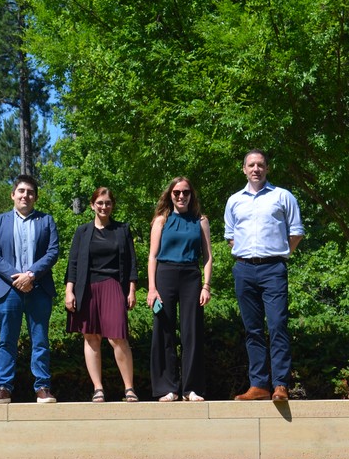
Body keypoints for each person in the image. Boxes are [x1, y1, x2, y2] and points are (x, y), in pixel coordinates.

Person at [224, 149, 304, 401]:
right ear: (244, 169)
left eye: (260, 165)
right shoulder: (234, 200)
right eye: (251, 165)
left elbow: (296, 232)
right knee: (253, 329)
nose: (256, 169)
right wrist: (248, 255)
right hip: (244, 269)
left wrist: (280, 254)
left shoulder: (283, 196)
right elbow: (231, 236)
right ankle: (258, 385)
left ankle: (280, 384)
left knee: (277, 325)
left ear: (267, 168)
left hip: (273, 269)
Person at [0, 175, 60, 404]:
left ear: (35, 197)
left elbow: (53, 252)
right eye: (21, 191)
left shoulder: (46, 221)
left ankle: (42, 387)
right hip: (8, 291)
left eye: (30, 192)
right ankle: (3, 388)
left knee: (40, 341)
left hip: (39, 288)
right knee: (7, 341)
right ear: (13, 195)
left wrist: (31, 275)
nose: (25, 195)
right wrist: (17, 278)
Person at [64, 187, 139, 403]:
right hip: (86, 288)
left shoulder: (122, 230)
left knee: (118, 338)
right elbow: (73, 263)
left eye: (107, 203)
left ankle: (129, 388)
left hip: (113, 285)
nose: (104, 207)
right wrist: (69, 291)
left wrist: (132, 289)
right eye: (100, 203)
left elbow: (132, 262)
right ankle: (98, 388)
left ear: (112, 205)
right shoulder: (82, 231)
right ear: (92, 205)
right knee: (91, 337)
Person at [147, 177, 214, 402]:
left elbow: (208, 257)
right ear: (170, 195)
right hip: (165, 274)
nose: (181, 196)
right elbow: (152, 256)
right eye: (177, 192)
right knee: (163, 330)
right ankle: (167, 387)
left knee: (191, 331)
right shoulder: (161, 220)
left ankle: (191, 388)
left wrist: (206, 286)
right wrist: (152, 288)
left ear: (191, 195)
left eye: (186, 192)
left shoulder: (201, 221)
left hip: (191, 276)